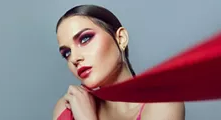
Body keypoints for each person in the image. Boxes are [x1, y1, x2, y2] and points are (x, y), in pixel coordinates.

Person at [53, 4, 185, 120]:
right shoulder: (68, 107)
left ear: (121, 39)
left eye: (85, 39)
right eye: (67, 53)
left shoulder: (163, 102)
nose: (74, 58)